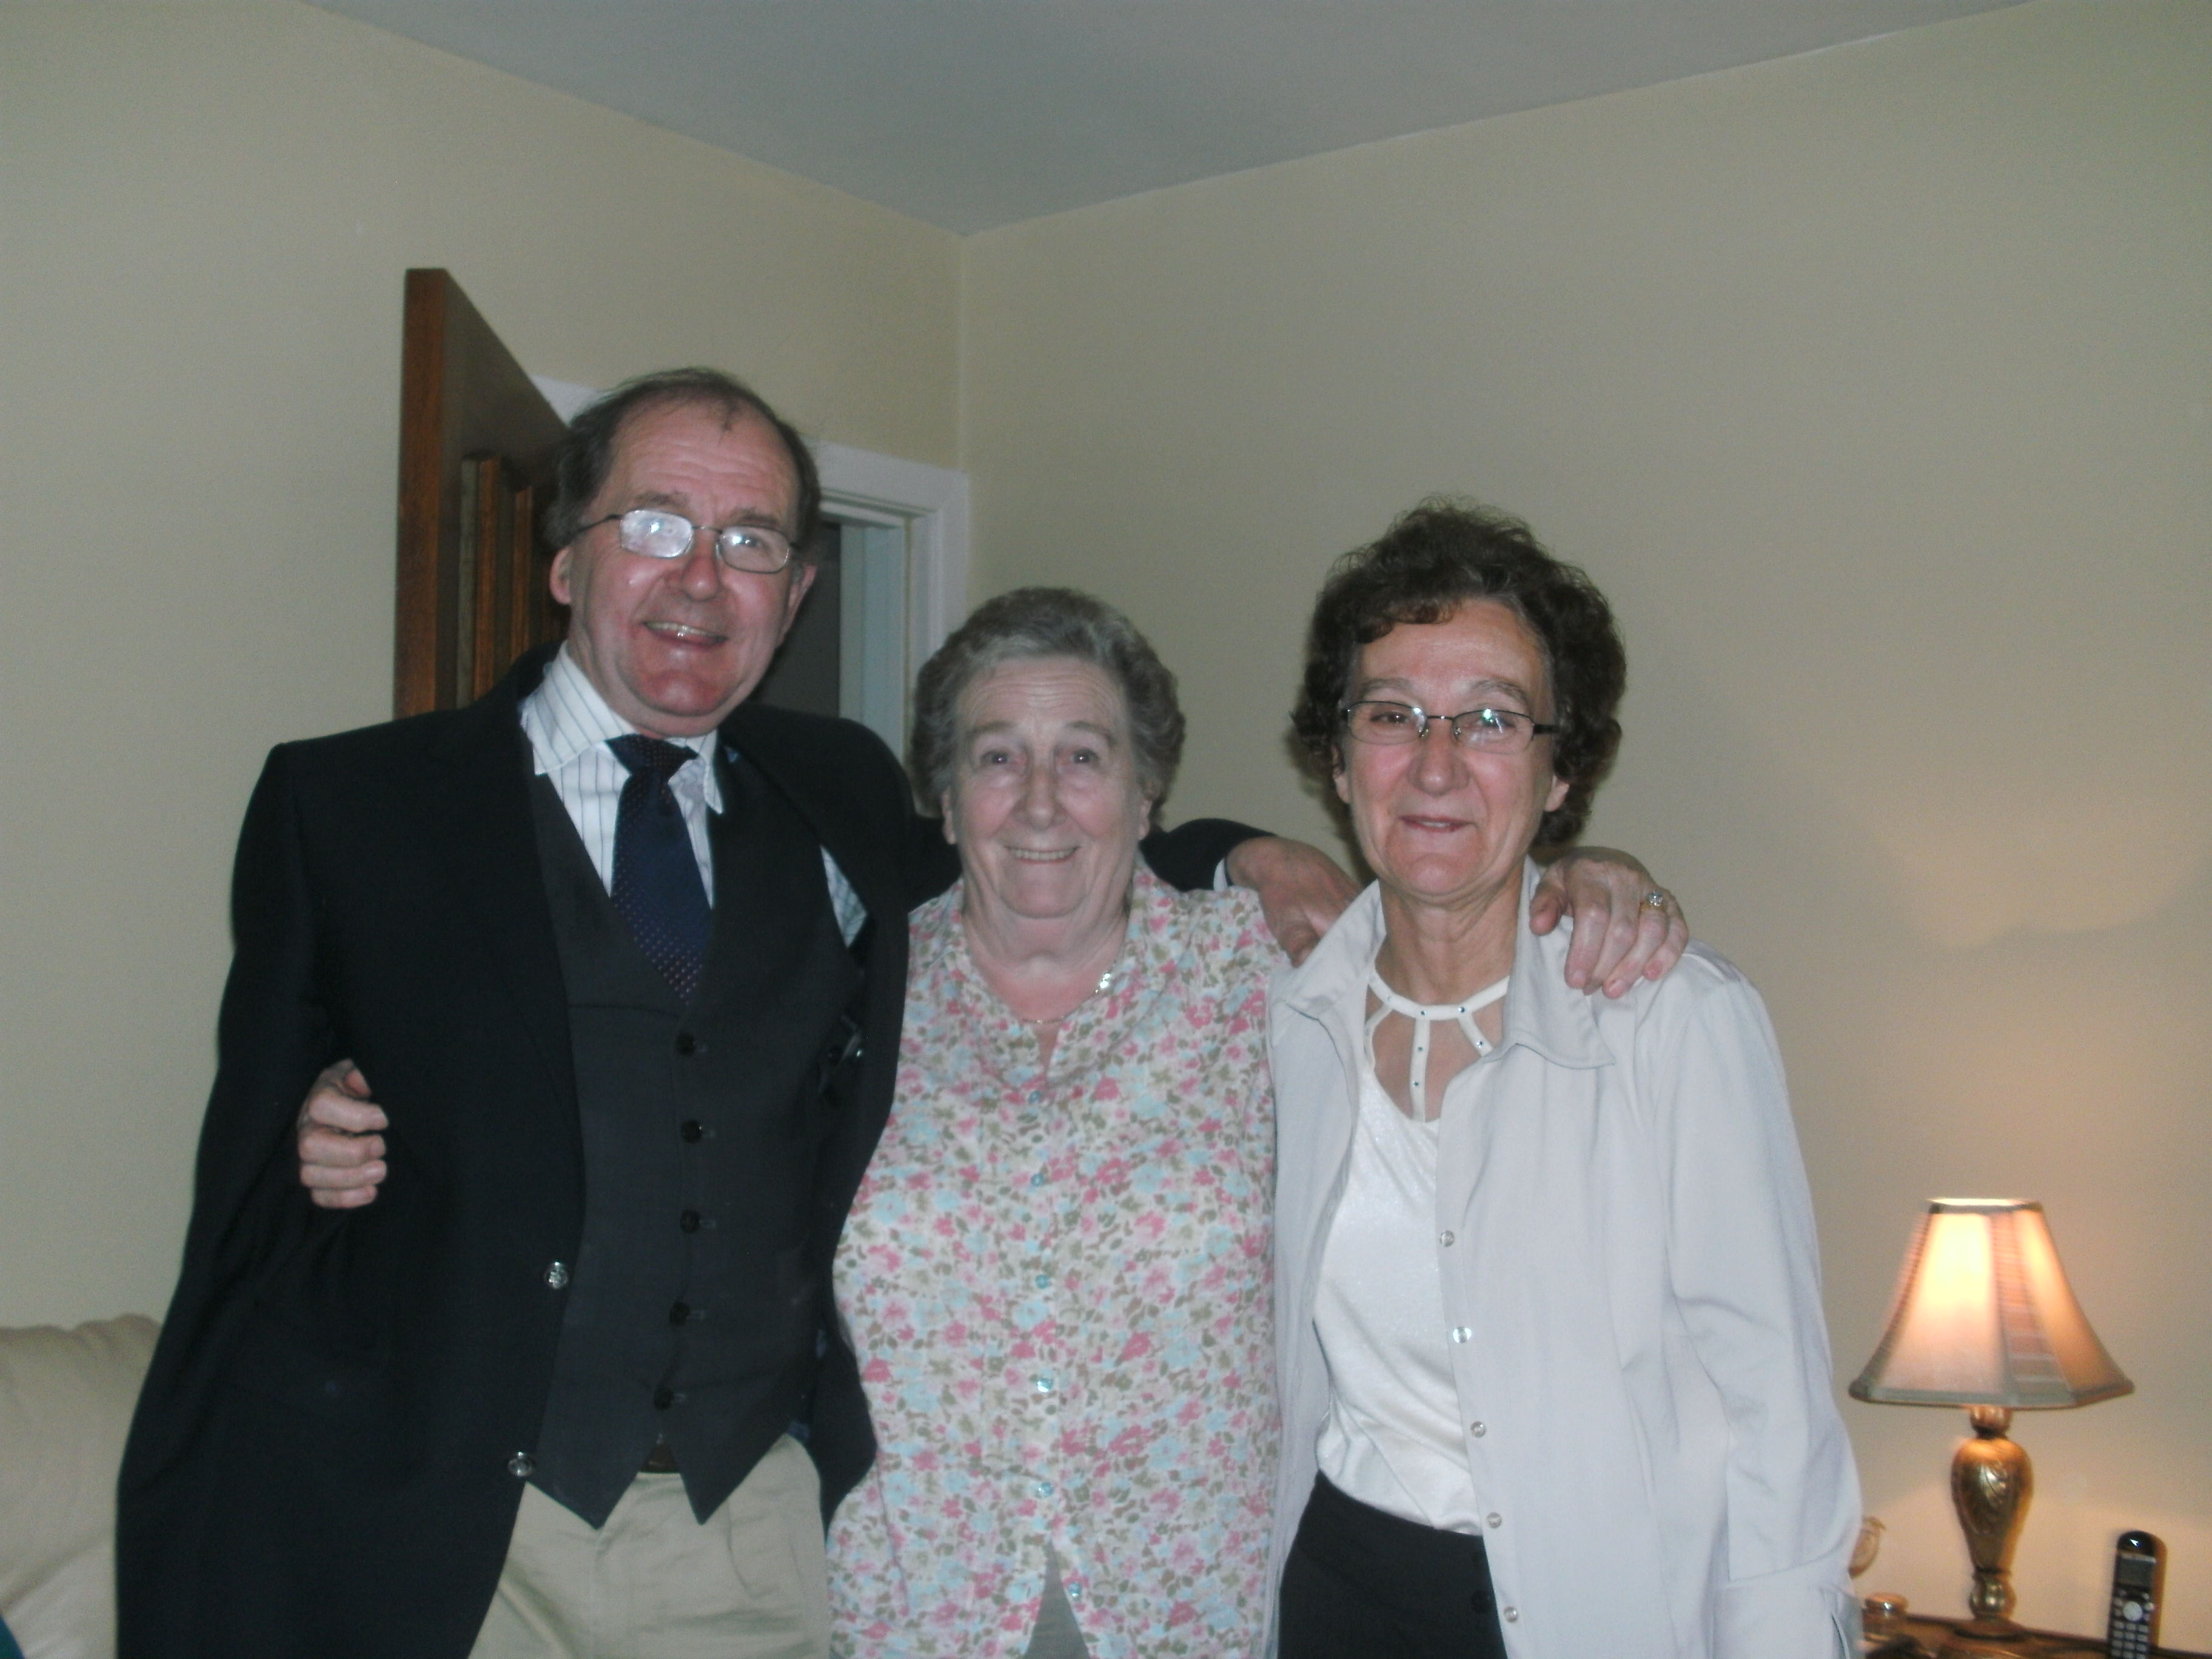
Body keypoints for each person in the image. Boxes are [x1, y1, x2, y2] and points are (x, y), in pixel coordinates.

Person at [123, 364, 1675, 1659]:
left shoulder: (834, 799)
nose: (697, 576)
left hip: (745, 1542)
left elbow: (1067, 854)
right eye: (656, 523)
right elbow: (244, 1219)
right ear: (565, 557)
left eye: (748, 542)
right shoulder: (354, 808)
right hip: (455, 1527)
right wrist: (315, 1153)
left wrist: (1375, 861)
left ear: (796, 594)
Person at [1268, 501, 1860, 1659]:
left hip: (1597, 1616)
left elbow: (1777, 1429)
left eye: (1491, 719)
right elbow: (1065, 843)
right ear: (1339, 761)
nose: (1435, 765)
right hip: (1338, 1593)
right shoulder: (1286, 1020)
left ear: (1558, 771)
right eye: (1393, 715)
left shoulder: (1675, 1025)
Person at [826, 589, 1279, 1658]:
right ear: (943, 799)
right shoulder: (847, 991)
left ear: (1147, 792)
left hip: (1194, 1601)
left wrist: (1588, 893)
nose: (1039, 803)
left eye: (1083, 757)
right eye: (995, 759)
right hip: (911, 1606)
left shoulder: (1259, 978)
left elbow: (1461, 953)